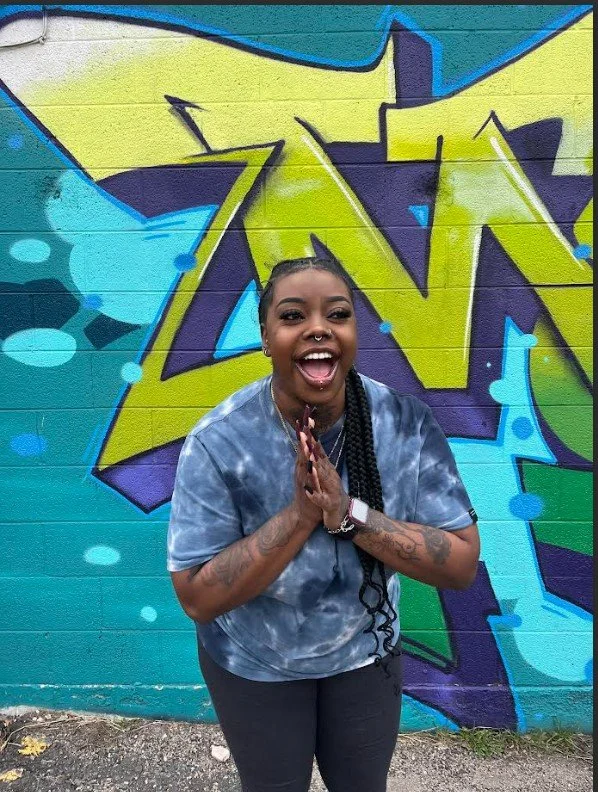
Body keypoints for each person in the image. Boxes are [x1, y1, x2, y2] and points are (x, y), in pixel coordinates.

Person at [167, 256, 480, 792]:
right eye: (293, 316)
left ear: (354, 333)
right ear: (266, 338)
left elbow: (461, 564)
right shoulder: (219, 442)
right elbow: (196, 596)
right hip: (255, 664)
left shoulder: (404, 425)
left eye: (337, 314)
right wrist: (299, 516)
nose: (318, 328)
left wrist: (348, 514)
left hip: (365, 655)